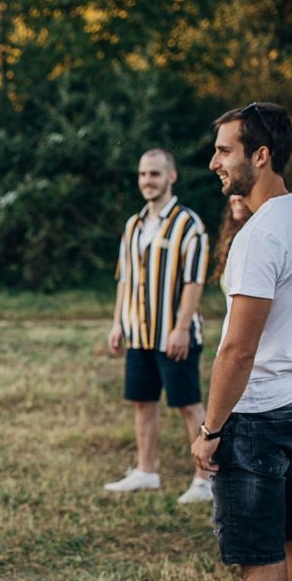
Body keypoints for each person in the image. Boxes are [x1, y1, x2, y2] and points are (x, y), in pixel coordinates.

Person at [170, 103, 292, 581]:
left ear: (260, 155)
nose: (214, 162)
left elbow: (236, 348)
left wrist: (209, 429)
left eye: (225, 150)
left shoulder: (260, 235)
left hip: (255, 416)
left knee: (259, 558)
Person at [104, 149, 212, 504]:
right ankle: (146, 471)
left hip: (173, 335)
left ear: (172, 176)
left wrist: (181, 328)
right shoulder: (133, 225)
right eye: (142, 174)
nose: (147, 181)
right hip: (138, 334)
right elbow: (124, 279)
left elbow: (194, 282)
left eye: (154, 174)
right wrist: (118, 322)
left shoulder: (188, 224)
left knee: (189, 405)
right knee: (142, 402)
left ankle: (205, 480)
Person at [209, 195, 254, 293]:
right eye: (235, 191)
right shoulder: (229, 237)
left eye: (243, 192)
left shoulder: (259, 237)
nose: (237, 199)